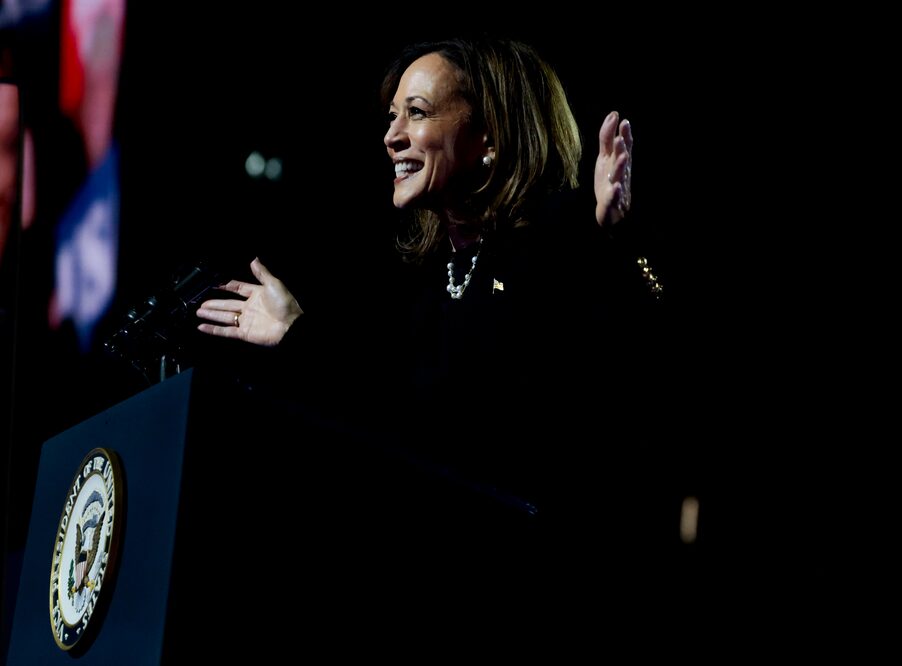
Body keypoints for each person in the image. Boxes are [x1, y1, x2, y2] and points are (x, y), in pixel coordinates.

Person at [195, 37, 662, 530]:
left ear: (489, 135)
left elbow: (616, 376)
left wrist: (612, 243)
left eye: (416, 113)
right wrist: (294, 333)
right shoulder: (424, 284)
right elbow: (391, 419)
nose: (391, 136)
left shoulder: (556, 240)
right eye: (392, 117)